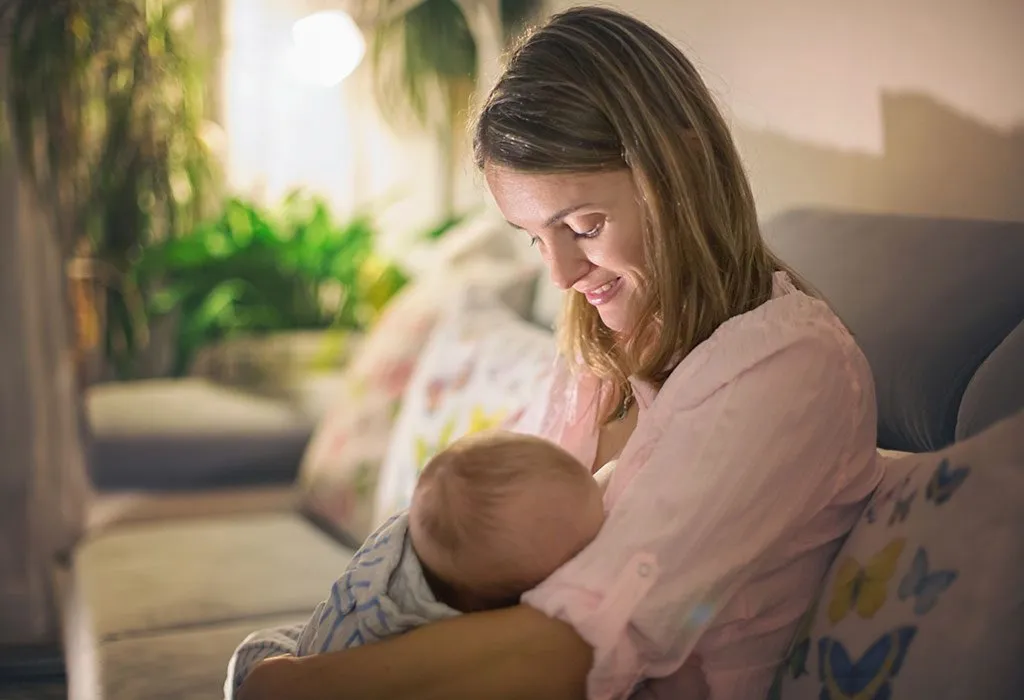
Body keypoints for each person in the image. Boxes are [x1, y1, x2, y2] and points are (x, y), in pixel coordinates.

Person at [238, 6, 882, 699]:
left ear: (683, 166)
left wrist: (291, 684)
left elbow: (575, 640)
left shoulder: (788, 371)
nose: (562, 275)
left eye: (584, 225)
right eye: (535, 237)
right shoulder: (597, 359)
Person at [226, 431, 605, 698]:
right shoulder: (427, 627)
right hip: (330, 652)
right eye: (577, 554)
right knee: (269, 656)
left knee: (263, 649)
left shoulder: (428, 531)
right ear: (479, 603)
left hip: (310, 639)